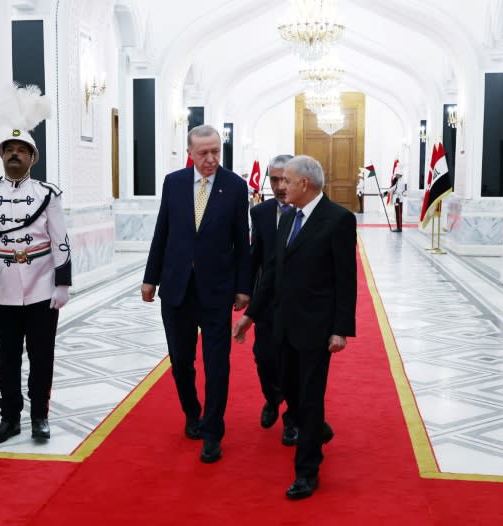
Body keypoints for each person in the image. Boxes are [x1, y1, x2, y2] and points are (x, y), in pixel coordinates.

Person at [233, 155, 356, 499]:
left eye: (286, 180)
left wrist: (340, 329)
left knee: (310, 395)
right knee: (288, 387)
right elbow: (271, 274)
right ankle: (317, 429)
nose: (280, 187)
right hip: (282, 324)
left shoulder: (339, 220)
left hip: (317, 328)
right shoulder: (287, 219)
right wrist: (250, 315)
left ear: (305, 183)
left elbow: (346, 280)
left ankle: (307, 470)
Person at [142, 124, 250, 463]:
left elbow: (242, 243)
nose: (211, 159)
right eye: (203, 153)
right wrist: (150, 278)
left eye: (216, 151)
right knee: (180, 363)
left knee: (217, 364)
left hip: (216, 289)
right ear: (190, 153)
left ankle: (213, 431)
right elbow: (162, 232)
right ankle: (193, 413)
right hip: (176, 289)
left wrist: (244, 288)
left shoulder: (234, 186)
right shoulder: (173, 183)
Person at [0, 126, 71, 444]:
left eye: (22, 149)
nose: (15, 154)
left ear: (33, 158)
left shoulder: (48, 194)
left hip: (41, 286)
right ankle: (9, 418)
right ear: (1, 155)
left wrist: (62, 284)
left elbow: (61, 241)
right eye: (9, 149)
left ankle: (39, 415)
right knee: (7, 357)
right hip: (3, 289)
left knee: (42, 356)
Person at [249, 154, 296, 437]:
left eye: (285, 179)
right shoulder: (261, 212)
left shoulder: (308, 211)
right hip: (266, 300)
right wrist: (244, 291)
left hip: (299, 302)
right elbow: (255, 257)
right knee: (263, 356)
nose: (279, 186)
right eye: (274, 179)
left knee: (293, 360)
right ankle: (272, 397)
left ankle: (292, 416)